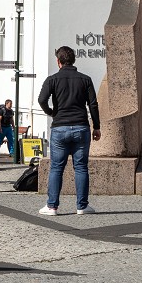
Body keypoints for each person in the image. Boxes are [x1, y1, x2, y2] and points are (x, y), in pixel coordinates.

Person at [37, 46, 102, 216]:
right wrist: (96, 126)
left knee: (56, 168)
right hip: (81, 127)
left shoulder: (52, 80)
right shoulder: (85, 79)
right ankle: (82, 206)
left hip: (59, 128)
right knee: (81, 167)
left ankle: (52, 207)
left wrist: (51, 113)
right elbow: (93, 104)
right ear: (73, 60)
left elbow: (42, 99)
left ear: (58, 61)